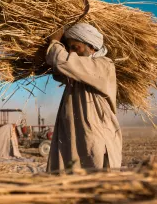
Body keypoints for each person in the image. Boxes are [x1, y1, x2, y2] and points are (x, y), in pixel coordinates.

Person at [45, 23, 122, 173]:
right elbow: (58, 71)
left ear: (92, 47)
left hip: (95, 137)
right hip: (75, 137)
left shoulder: (104, 65)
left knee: (98, 182)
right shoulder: (78, 72)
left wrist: (54, 42)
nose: (72, 52)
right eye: (69, 48)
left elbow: (64, 61)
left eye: (76, 47)